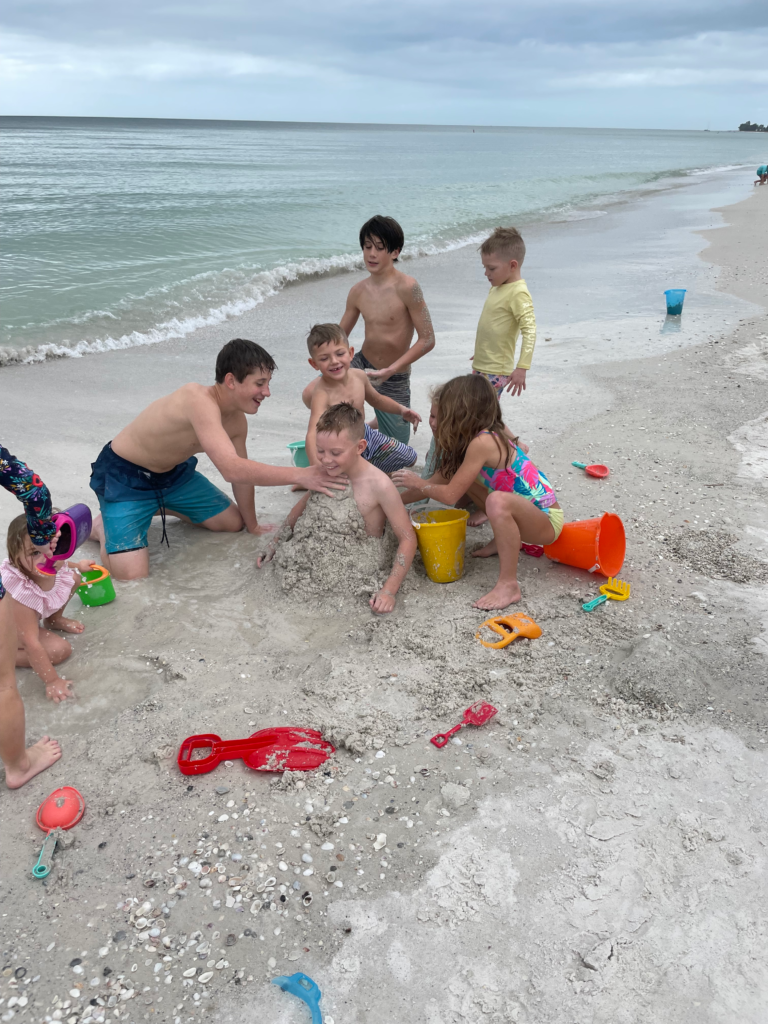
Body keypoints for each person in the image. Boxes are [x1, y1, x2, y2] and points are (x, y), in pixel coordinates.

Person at [89, 338, 346, 580]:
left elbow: (243, 476)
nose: (266, 392)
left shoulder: (236, 421)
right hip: (125, 479)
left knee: (233, 523)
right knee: (131, 577)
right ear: (231, 380)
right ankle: (102, 527)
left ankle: (150, 510)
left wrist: (252, 524)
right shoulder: (196, 399)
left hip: (173, 477)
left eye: (268, 383)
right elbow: (232, 470)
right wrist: (302, 474)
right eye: (259, 383)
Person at [393, 375, 564, 611]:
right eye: (432, 415)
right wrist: (391, 502)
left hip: (546, 521)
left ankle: (508, 585)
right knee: (470, 482)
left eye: (439, 417)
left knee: (496, 500)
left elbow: (449, 496)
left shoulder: (483, 442)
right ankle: (502, 540)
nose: (432, 423)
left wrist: (417, 483)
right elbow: (432, 483)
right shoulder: (464, 447)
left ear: (460, 417)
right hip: (526, 515)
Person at [259, 403, 417, 614]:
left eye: (335, 452)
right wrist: (276, 541)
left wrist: (389, 590)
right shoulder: (325, 472)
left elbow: (407, 538)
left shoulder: (379, 485)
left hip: (359, 569)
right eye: (320, 450)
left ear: (360, 447)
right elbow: (300, 509)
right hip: (312, 567)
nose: (325, 459)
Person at [302, 215, 435, 443]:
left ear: (395, 252)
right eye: (367, 246)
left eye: (380, 248)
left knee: (399, 449)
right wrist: (323, 358)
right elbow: (339, 336)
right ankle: (350, 432)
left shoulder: (408, 287)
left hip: (395, 373)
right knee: (309, 393)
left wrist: (391, 369)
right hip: (362, 363)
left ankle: (375, 425)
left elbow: (428, 339)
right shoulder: (358, 291)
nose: (372, 254)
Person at [0, 445, 62, 789]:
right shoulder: (17, 584)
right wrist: (42, 535)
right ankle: (18, 765)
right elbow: (33, 491)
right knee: (3, 683)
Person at [302, 323, 421, 474]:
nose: (334, 361)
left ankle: (372, 469)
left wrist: (401, 410)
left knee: (410, 457)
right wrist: (316, 469)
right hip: (341, 447)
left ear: (350, 353)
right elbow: (313, 432)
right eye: (324, 358)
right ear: (314, 364)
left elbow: (377, 399)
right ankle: (305, 480)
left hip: (365, 434)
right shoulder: (322, 393)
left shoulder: (359, 376)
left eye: (340, 354)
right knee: (356, 482)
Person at [2, 515, 95, 703]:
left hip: (26, 619)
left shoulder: (54, 561)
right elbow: (30, 643)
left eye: (52, 548)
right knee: (59, 650)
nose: (48, 558)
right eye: (35, 553)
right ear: (15, 559)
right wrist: (51, 680)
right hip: (6, 629)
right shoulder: (20, 593)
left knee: (73, 578)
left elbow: (65, 564)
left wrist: (80, 566)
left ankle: (54, 619)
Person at [470, 226, 537, 398]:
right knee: (480, 416)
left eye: (491, 269)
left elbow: (530, 330)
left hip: (495, 371)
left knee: (480, 417)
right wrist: (483, 348)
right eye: (484, 268)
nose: (486, 273)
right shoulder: (498, 287)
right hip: (481, 365)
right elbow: (493, 324)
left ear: (512, 265)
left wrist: (522, 367)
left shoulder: (518, 293)